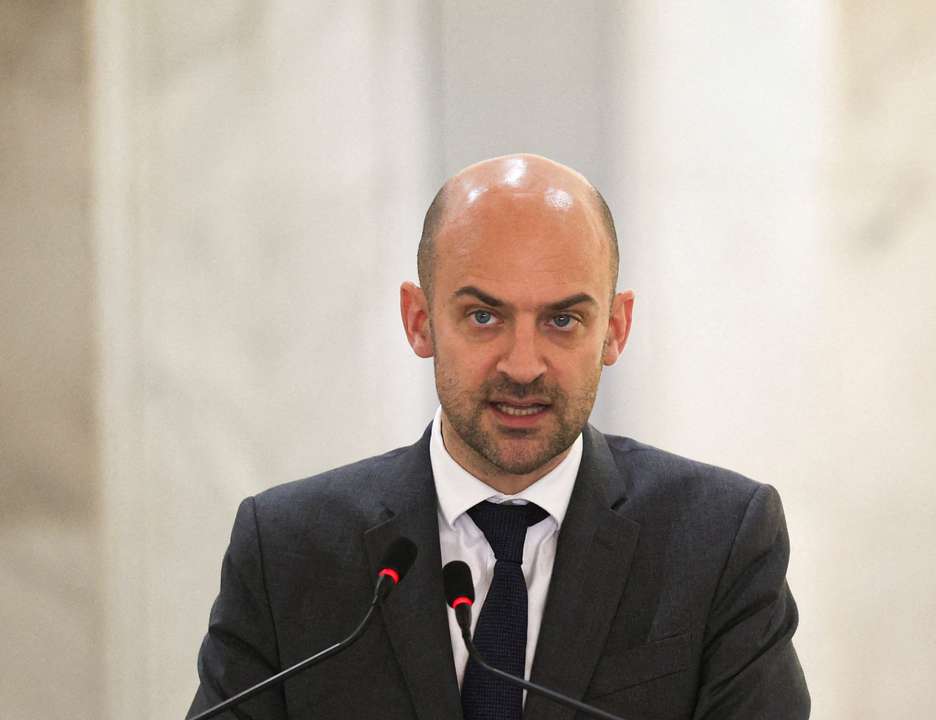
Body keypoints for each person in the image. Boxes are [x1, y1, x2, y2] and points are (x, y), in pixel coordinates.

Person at [188, 154, 809, 720]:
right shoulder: (289, 551)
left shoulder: (721, 541)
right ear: (420, 321)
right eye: (484, 317)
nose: (523, 365)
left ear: (615, 329)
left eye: (563, 320)